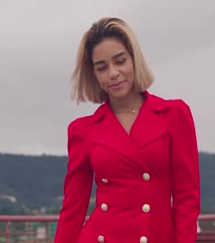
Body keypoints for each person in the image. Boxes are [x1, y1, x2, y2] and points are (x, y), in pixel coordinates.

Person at [54, 17, 200, 243]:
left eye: (120, 61)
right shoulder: (82, 131)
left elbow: (186, 200)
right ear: (94, 74)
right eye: (102, 68)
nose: (113, 73)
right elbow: (73, 209)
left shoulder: (174, 115)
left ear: (134, 60)